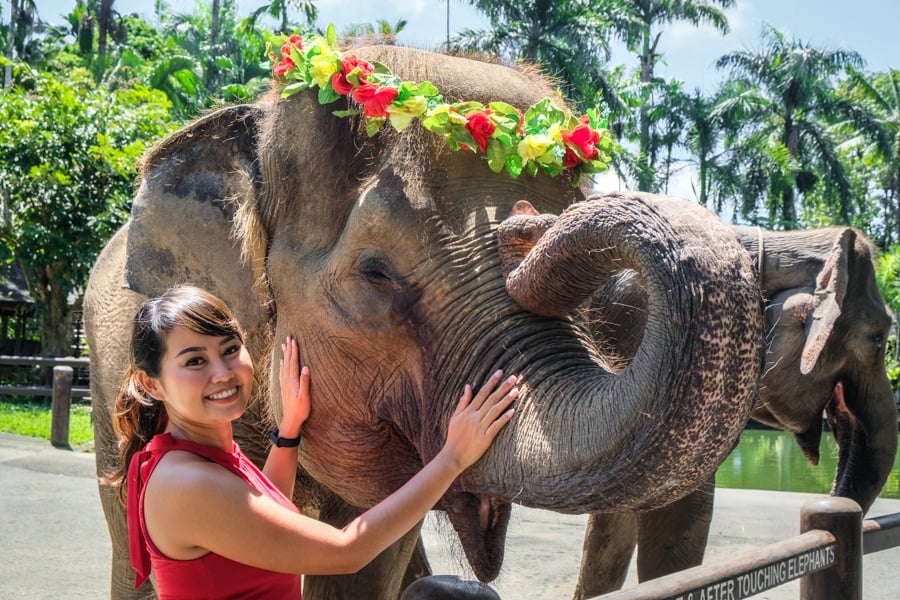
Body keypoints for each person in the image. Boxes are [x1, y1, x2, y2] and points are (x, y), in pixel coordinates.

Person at [105, 285, 518, 599]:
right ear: (151, 384)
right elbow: (346, 552)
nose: (223, 372)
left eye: (230, 349)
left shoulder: (201, 456)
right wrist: (452, 458)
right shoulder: (187, 483)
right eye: (195, 361)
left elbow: (261, 517)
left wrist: (290, 429)